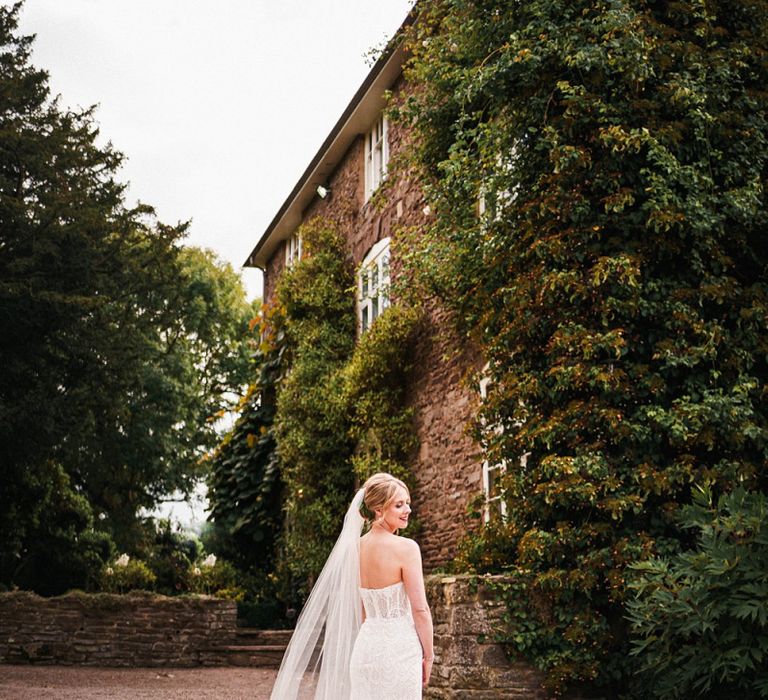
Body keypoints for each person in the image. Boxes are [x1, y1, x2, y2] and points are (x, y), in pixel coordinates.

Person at [269, 473, 434, 700]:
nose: (408, 510)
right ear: (378, 509)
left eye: (407, 503)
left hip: (365, 649)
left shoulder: (354, 549)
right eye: (399, 505)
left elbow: (362, 608)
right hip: (400, 650)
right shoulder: (407, 548)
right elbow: (420, 611)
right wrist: (430, 655)